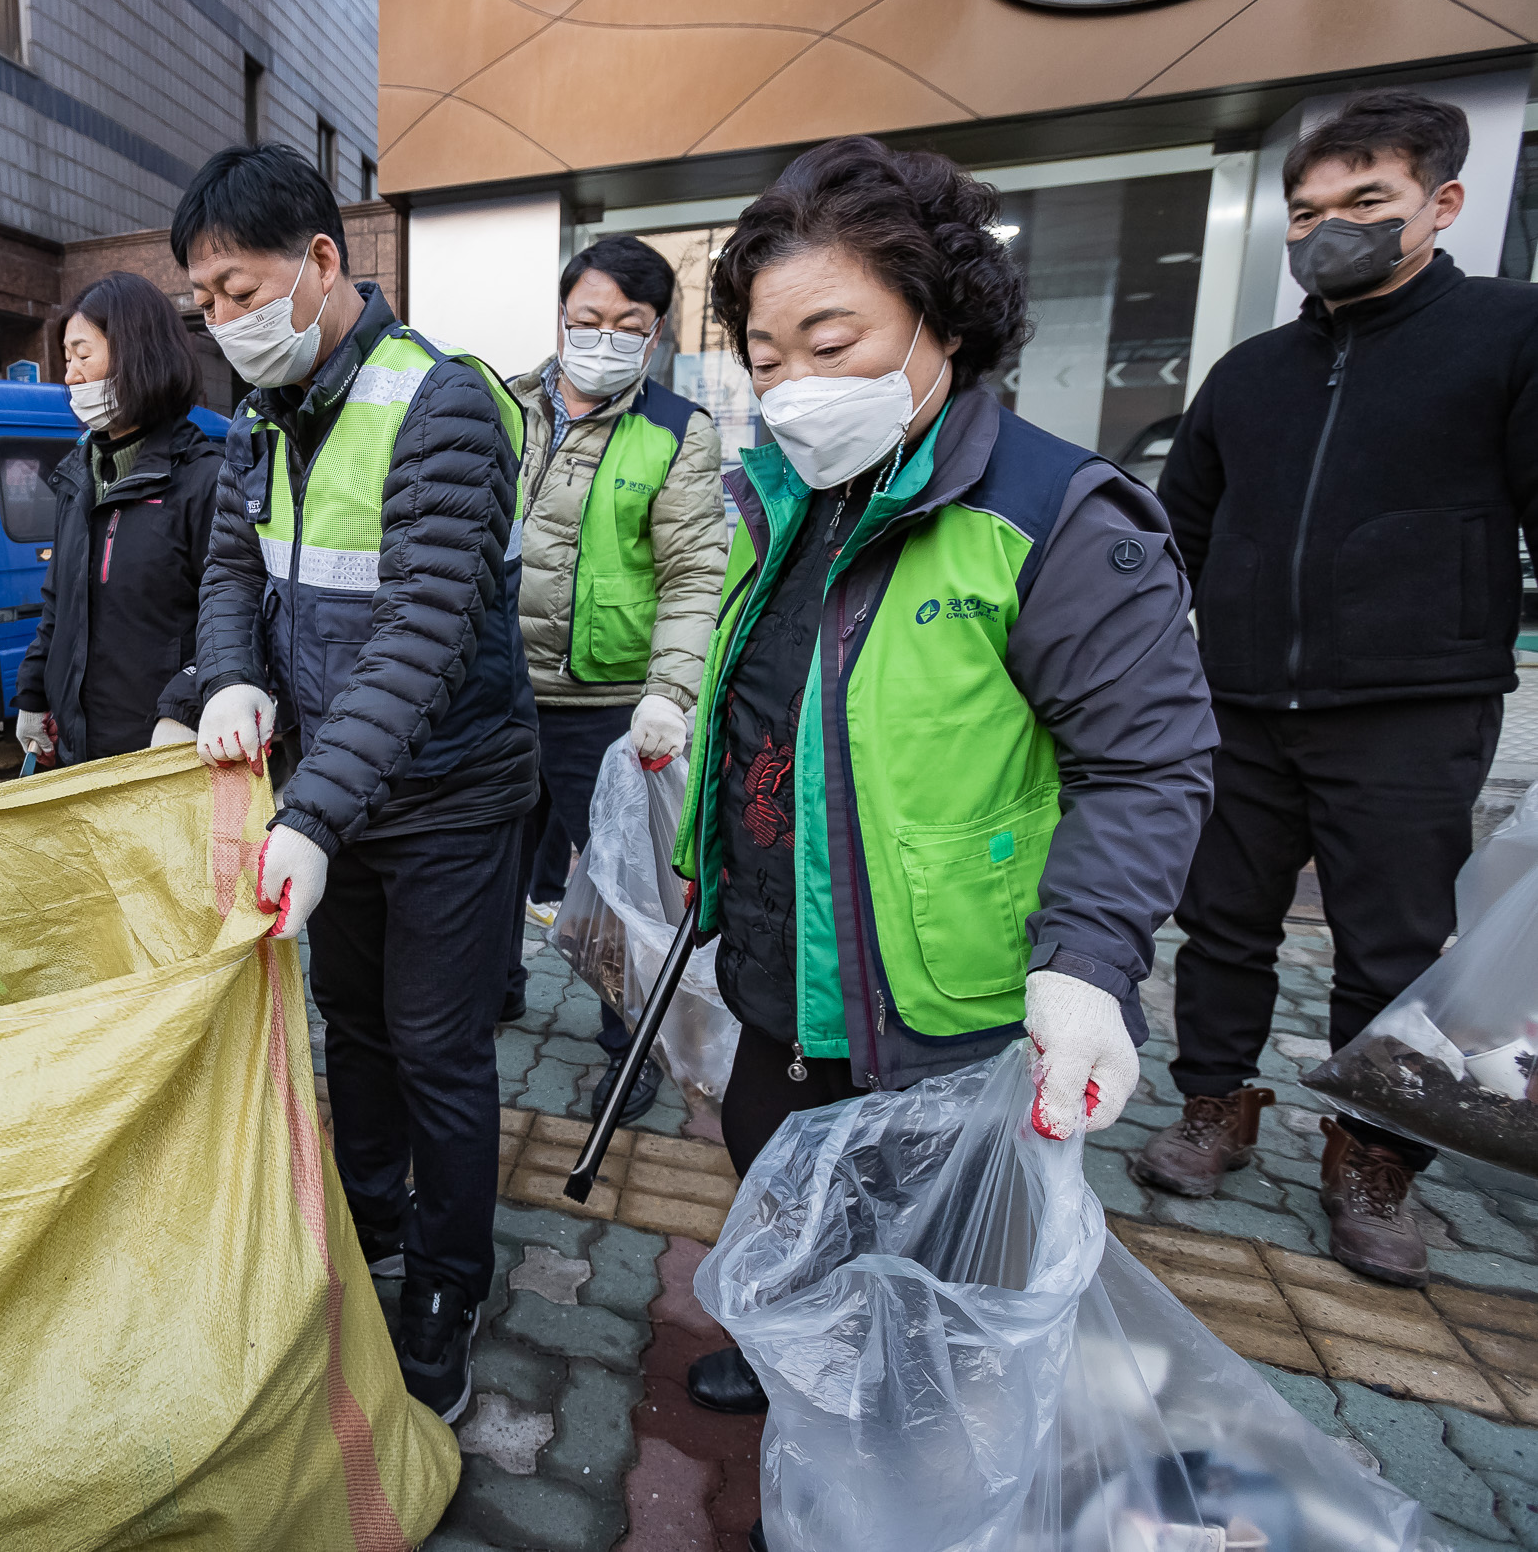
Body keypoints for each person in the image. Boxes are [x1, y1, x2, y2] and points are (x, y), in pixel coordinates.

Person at [670, 138, 1215, 1508]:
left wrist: (1088, 960)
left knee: (934, 1318)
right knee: (790, 1211)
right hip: (780, 984)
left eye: (829, 337)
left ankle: (897, 1469)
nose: (793, 382)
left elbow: (1148, 762)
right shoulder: (782, 503)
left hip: (947, 1022)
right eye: (766, 352)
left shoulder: (1055, 516)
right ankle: (808, 1362)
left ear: (944, 319)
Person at [1139, 90, 1538, 1288]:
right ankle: (1215, 1103)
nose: (1330, 230)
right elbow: (1178, 535)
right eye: (1306, 211)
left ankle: (1373, 1155)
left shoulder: (1509, 336)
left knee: (1393, 946)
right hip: (1243, 702)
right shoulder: (1249, 370)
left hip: (1413, 703)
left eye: (1366, 202)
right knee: (1221, 924)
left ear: (1441, 204)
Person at [181, 143, 536, 1423]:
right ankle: (368, 1218)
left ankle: (447, 1280)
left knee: (441, 1048)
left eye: (241, 286)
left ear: (323, 261)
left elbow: (426, 626)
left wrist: (315, 807)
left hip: (441, 797)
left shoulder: (439, 401)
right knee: (357, 1030)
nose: (227, 321)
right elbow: (232, 573)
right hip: (329, 804)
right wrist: (228, 680)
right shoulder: (259, 423)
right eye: (205, 303)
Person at [500, 235, 726, 1122]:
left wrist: (670, 691)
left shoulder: (676, 431)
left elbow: (694, 573)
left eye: (626, 325)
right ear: (560, 318)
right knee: (493, 860)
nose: (604, 337)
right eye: (587, 320)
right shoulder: (503, 407)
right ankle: (494, 987)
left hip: (606, 704)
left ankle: (624, 1046)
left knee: (619, 888)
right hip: (500, 686)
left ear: (656, 332)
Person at [13, 272, 220, 764]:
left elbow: (233, 619)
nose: (70, 376)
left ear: (138, 353)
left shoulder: (202, 479)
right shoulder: (77, 478)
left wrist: (184, 706)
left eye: (83, 355)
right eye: (67, 359)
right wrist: (33, 692)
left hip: (163, 755)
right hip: (80, 753)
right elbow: (57, 604)